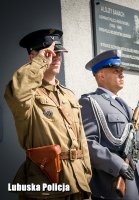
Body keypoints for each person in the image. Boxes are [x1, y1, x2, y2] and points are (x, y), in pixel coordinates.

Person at [4, 29, 92, 199]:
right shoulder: (27, 94)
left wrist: (86, 172)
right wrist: (40, 62)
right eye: (49, 53)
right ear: (33, 57)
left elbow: (82, 139)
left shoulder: (68, 95)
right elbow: (19, 92)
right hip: (47, 185)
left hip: (78, 181)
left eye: (58, 52)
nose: (56, 57)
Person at [79, 49, 139, 200]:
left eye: (122, 70)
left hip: (136, 183)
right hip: (111, 186)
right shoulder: (90, 102)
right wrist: (117, 164)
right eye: (116, 70)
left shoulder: (125, 106)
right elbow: (87, 143)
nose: (122, 74)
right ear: (101, 75)